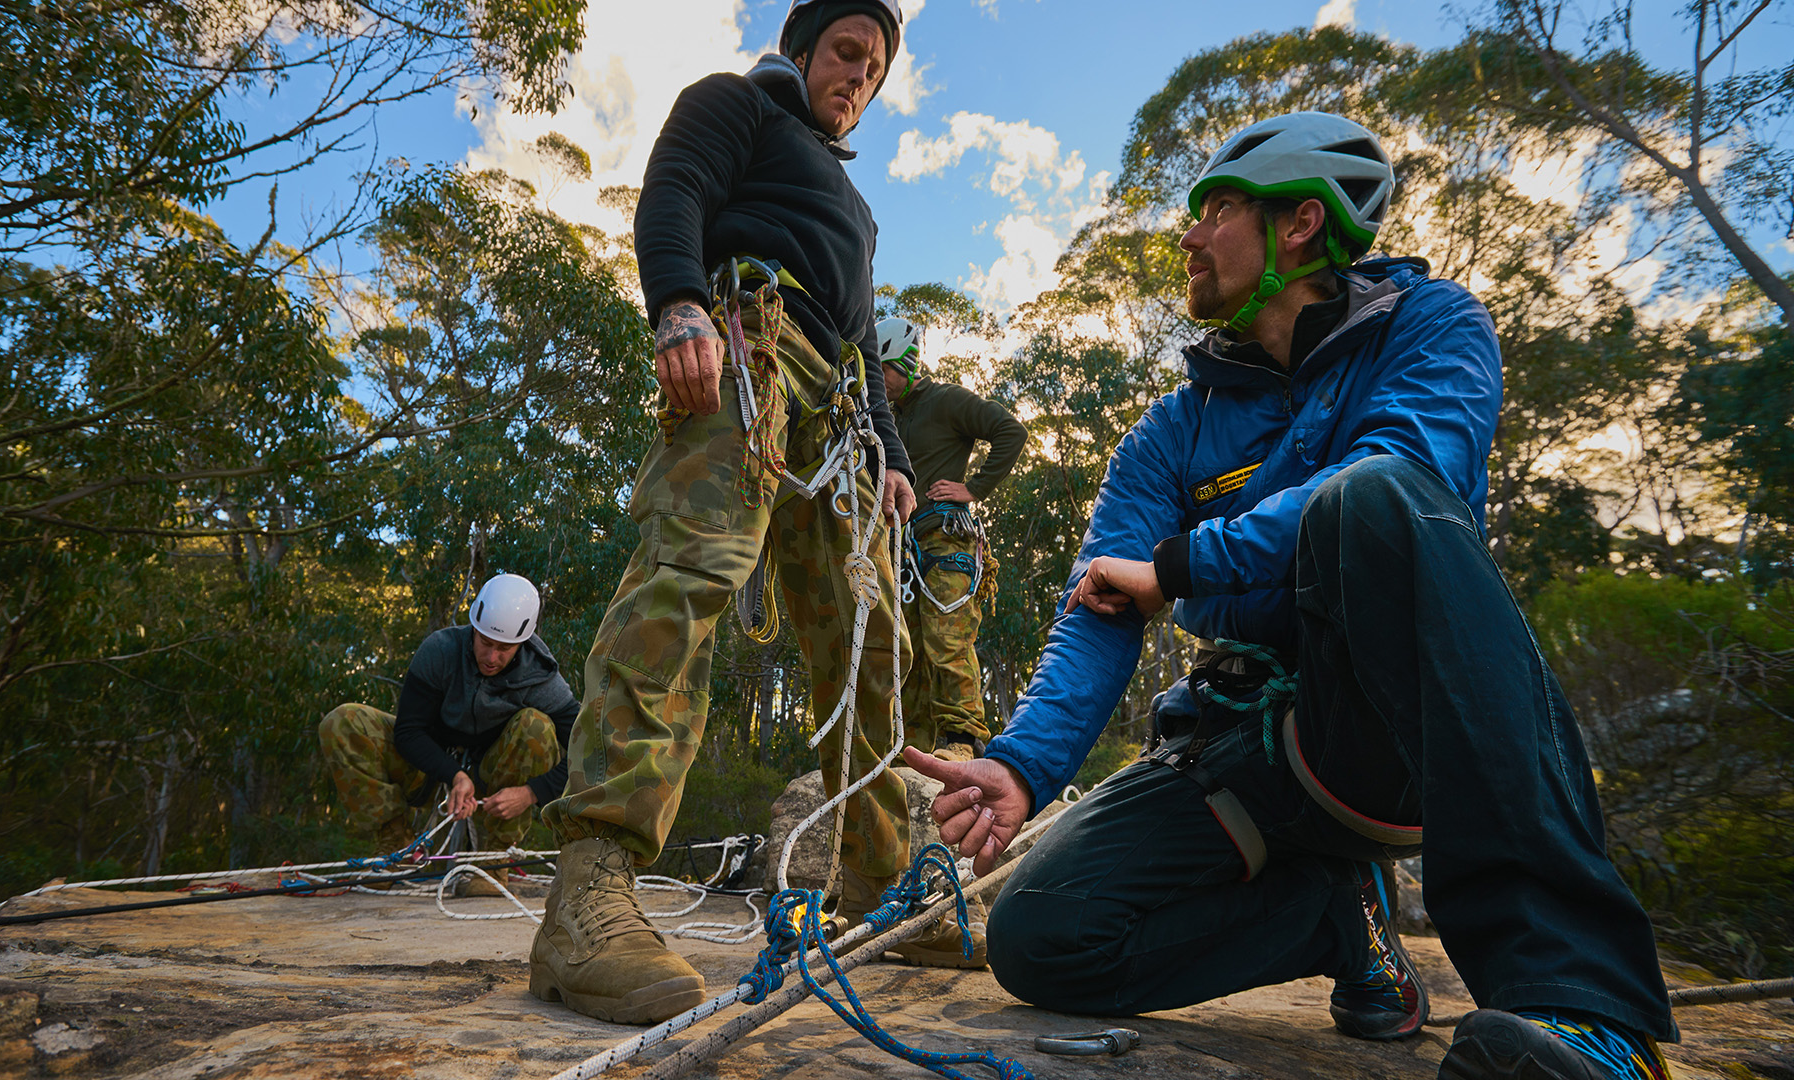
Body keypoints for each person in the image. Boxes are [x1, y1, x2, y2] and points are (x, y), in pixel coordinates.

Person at [905, 111, 1678, 1080]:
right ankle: (1336, 921)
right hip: (1233, 743)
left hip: (1381, 731)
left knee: (1374, 497)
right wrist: (1023, 764)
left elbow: (1408, 469)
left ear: (1302, 222)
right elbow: (1101, 603)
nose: (1187, 235)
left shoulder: (1432, 326)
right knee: (1041, 937)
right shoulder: (1169, 432)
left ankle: (1591, 1015)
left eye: (1215, 208)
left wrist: (1185, 566)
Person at [528, 0, 984, 1029]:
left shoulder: (858, 213)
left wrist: (896, 459)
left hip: (845, 422)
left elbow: (865, 347)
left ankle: (879, 886)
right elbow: (675, 190)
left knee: (874, 652)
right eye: (847, 53)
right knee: (686, 585)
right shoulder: (737, 105)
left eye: (875, 66)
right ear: (805, 49)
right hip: (747, 353)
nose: (860, 75)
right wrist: (679, 302)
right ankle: (589, 894)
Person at [319, 573, 577, 894]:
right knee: (343, 721)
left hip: (493, 779)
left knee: (536, 725)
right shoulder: (440, 650)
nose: (492, 657)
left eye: (505, 648)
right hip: (427, 765)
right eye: (485, 642)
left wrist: (531, 793)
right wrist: (454, 774)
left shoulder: (541, 679)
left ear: (522, 642)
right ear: (474, 626)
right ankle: (396, 847)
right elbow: (408, 731)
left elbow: (588, 750)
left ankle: (493, 863)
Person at [876, 316, 1026, 761]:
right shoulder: (887, 420)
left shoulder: (945, 400)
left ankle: (963, 739)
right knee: (910, 652)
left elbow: (1010, 431)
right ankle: (917, 749)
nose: (877, 382)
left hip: (947, 540)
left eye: (881, 370)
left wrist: (973, 488)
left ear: (904, 363)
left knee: (947, 638)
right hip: (904, 549)